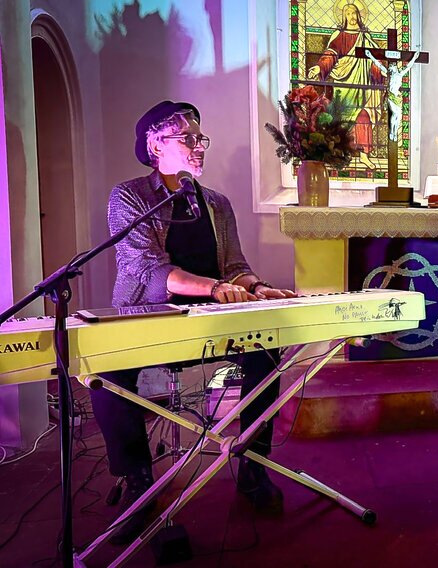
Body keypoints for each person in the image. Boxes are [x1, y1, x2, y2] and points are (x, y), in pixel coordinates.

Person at [92, 100, 296, 543]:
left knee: (266, 351)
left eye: (201, 137)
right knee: (106, 374)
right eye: (188, 137)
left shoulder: (216, 204)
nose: (199, 145)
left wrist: (257, 287)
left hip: (210, 320)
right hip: (146, 318)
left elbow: (235, 266)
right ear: (155, 145)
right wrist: (215, 287)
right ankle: (139, 484)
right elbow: (148, 269)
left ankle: (253, 465)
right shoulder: (129, 197)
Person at [307, 2, 383, 168]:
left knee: (363, 116)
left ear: (359, 16)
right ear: (344, 17)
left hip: (363, 86)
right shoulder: (340, 36)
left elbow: (375, 60)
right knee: (340, 118)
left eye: (354, 13)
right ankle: (339, 154)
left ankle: (364, 155)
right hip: (344, 85)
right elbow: (330, 55)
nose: (352, 17)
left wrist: (381, 70)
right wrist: (319, 67)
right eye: (348, 14)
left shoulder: (365, 37)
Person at [364, 49, 420, 142]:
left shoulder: (400, 74)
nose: (390, 68)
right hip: (391, 96)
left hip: (398, 97)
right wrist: (370, 56)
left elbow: (409, 66)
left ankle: (395, 132)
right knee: (394, 113)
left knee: (399, 115)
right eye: (389, 68)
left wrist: (414, 57)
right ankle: (392, 132)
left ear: (395, 67)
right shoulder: (388, 74)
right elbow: (379, 65)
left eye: (391, 67)